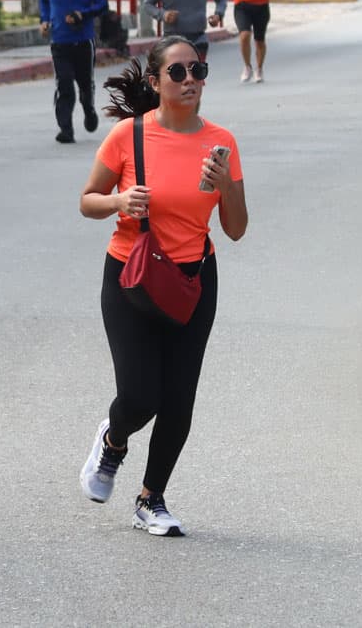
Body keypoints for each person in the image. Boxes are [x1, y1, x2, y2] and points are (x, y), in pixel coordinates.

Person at [77, 35, 248, 537]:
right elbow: (88, 200)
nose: (191, 79)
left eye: (198, 70)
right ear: (155, 82)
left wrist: (226, 185)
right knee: (139, 395)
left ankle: (151, 499)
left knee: (178, 397)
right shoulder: (128, 136)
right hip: (131, 276)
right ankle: (113, 441)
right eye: (178, 72)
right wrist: (119, 201)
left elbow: (236, 228)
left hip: (193, 280)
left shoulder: (221, 141)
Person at [39, 0, 108, 144]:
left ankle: (89, 109)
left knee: (85, 84)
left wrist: (82, 14)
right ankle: (66, 130)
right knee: (64, 85)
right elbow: (43, 1)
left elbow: (102, 4)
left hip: (83, 42)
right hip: (59, 43)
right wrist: (44, 20)